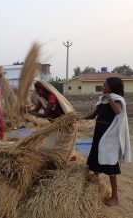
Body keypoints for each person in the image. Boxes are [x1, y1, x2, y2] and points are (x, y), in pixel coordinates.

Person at [82, 77, 131, 206]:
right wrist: (78, 118)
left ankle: (115, 197)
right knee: (94, 159)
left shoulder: (117, 100)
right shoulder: (102, 101)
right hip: (99, 134)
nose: (103, 87)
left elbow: (117, 111)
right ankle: (93, 188)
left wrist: (110, 99)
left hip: (109, 137)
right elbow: (93, 115)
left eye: (105, 85)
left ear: (112, 87)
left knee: (110, 166)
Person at [27, 80, 77, 162]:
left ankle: (67, 160)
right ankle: (58, 160)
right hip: (55, 125)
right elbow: (36, 110)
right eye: (36, 91)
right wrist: (27, 111)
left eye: (38, 90)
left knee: (63, 145)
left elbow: (46, 114)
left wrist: (31, 112)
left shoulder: (52, 97)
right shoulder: (41, 99)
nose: (37, 92)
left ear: (43, 89)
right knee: (52, 144)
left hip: (64, 124)